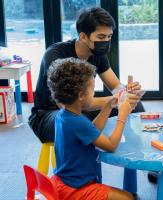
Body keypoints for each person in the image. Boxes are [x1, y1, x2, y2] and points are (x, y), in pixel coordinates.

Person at [28, 7, 143, 144]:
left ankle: (133, 155)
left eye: (109, 36)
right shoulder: (56, 55)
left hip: (78, 110)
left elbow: (116, 86)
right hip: (49, 115)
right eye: (101, 37)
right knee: (75, 121)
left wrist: (128, 93)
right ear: (83, 36)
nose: (106, 41)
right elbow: (67, 106)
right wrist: (116, 100)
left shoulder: (97, 53)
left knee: (133, 105)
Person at [47, 58, 133, 200]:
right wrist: (122, 115)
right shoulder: (77, 122)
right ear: (81, 95)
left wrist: (108, 106)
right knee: (127, 197)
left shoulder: (64, 115)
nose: (94, 94)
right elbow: (111, 145)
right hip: (76, 188)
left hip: (63, 182)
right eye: (92, 90)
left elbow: (91, 130)